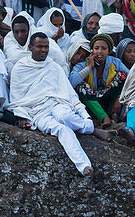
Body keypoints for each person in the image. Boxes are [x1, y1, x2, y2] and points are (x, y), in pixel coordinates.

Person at [9, 31, 109, 175]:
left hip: (57, 104)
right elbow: (17, 99)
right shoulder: (20, 68)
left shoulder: (54, 66)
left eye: (46, 47)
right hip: (38, 113)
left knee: (65, 117)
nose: (43, 50)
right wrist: (24, 118)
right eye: (39, 47)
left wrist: (84, 114)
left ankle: (89, 128)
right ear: (30, 47)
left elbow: (69, 94)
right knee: (62, 130)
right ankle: (84, 164)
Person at [69, 31, 128, 128]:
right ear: (92, 50)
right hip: (92, 103)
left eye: (104, 48)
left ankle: (111, 114)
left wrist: (119, 98)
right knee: (80, 86)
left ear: (108, 51)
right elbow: (72, 82)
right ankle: (104, 117)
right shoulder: (84, 64)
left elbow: (131, 79)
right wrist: (89, 67)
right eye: (96, 48)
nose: (100, 51)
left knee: (122, 75)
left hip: (109, 101)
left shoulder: (115, 62)